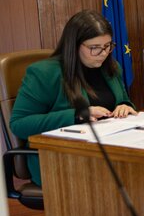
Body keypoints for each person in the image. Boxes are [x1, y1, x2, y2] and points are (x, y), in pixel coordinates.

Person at [10, 10, 137, 186]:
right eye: (95, 48)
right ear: (74, 45)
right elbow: (19, 124)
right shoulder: (44, 73)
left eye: (108, 46)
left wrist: (124, 105)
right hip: (60, 158)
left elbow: (121, 99)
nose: (104, 53)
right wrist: (76, 115)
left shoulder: (110, 67)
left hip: (108, 148)